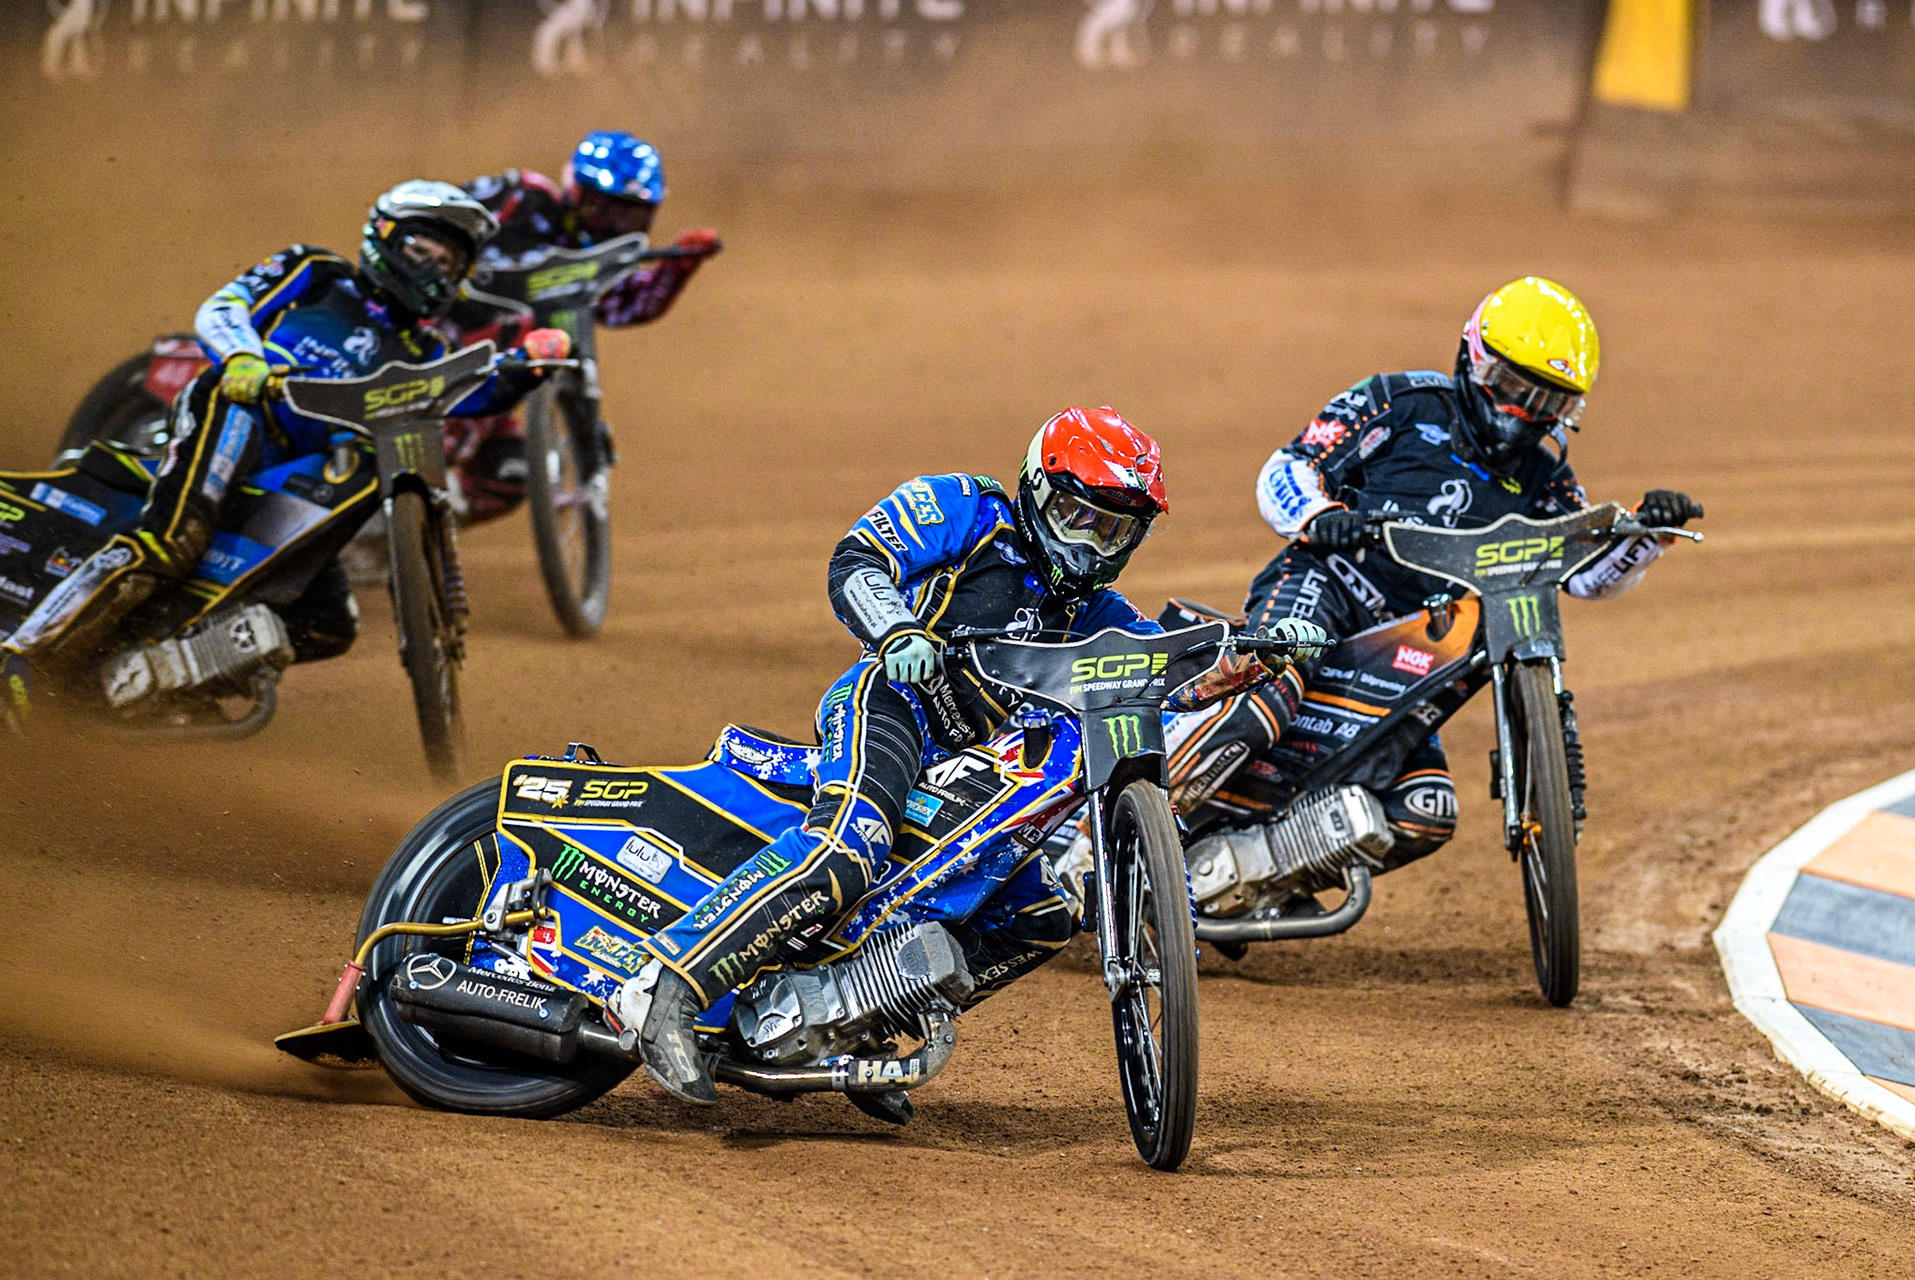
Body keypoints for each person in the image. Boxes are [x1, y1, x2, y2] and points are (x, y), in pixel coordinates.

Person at [611, 406, 1176, 1106]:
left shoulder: (1103, 617)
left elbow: (1170, 671)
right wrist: (898, 628)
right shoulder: (967, 508)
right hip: (890, 705)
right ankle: (667, 988)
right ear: (1036, 487)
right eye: (1076, 516)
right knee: (853, 843)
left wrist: (1255, 656)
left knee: (1040, 918)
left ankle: (856, 1022)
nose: (1090, 544)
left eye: (1114, 529)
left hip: (979, 764)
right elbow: (857, 560)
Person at [1163, 276, 1703, 869]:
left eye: (1546, 402)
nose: (1521, 413)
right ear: (1473, 360)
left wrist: (1645, 536)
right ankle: (1121, 835)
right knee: (1267, 684)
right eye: (1512, 386)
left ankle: (1233, 874)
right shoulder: (1398, 402)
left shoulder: (1546, 473)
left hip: (1421, 644)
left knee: (1426, 811)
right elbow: (1288, 468)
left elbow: (1583, 574)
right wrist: (1320, 516)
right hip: (1332, 587)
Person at [3, 180, 570, 685]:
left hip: (301, 482)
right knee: (174, 539)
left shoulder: (426, 352)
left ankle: (165, 676)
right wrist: (244, 359)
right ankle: (26, 661)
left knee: (327, 625)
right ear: (385, 237)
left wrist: (531, 363)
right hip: (240, 412)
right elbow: (225, 306)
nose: (433, 269)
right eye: (424, 251)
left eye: (449, 262)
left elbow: (473, 394)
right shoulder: (317, 272)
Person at [441, 129, 722, 522]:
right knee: (519, 327)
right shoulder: (522, 195)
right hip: (436, 330)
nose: (613, 226)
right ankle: (430, 460)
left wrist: (678, 268)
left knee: (511, 474)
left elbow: (622, 307)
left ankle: (404, 544)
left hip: (491, 371)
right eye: (603, 211)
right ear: (574, 191)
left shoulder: (594, 258)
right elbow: (432, 223)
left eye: (631, 218)